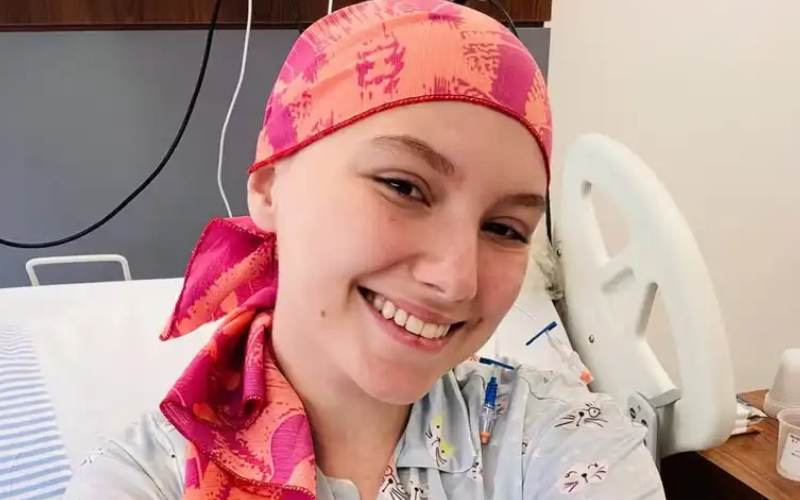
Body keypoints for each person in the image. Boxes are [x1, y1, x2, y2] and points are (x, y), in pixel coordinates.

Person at [65, 1, 665, 499]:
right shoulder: (146, 480)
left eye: (505, 229)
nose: (456, 279)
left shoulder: (565, 439)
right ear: (270, 186)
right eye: (403, 187)